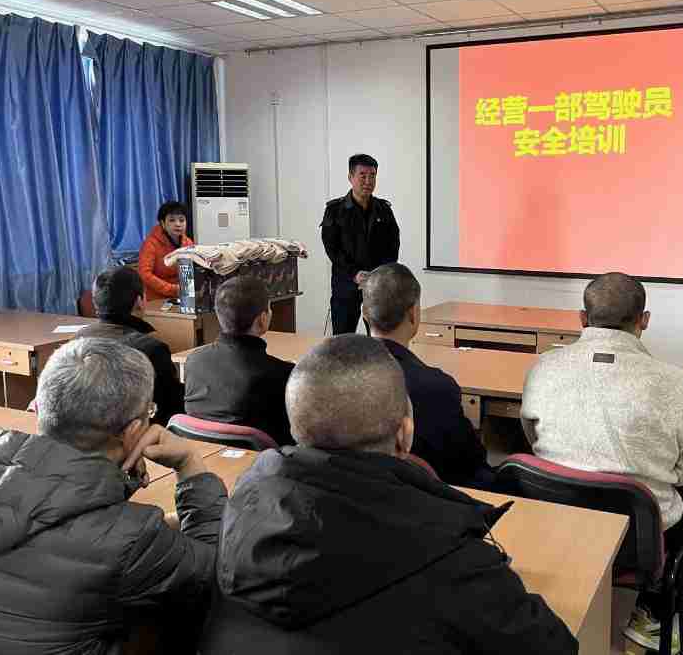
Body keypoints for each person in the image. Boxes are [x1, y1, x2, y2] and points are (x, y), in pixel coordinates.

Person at [199, 335, 577, 655]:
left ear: (295, 426)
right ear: (405, 434)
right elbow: (555, 646)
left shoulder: (238, 512)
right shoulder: (452, 558)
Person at [0, 338, 227, 655]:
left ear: (39, 408)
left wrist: (117, 479)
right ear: (133, 431)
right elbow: (219, 573)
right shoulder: (130, 538)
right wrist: (189, 464)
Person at [521, 272, 683, 653]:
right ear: (645, 320)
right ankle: (651, 615)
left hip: (555, 515)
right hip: (638, 537)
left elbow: (530, 435)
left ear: (582, 318)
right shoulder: (677, 384)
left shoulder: (543, 367)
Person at [362, 262, 493, 487]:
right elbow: (471, 460)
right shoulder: (436, 387)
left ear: (365, 314)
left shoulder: (336, 378)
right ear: (413, 314)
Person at [184, 275, 295, 445]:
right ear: (262, 319)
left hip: (203, 453)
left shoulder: (193, 361)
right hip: (260, 459)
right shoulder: (280, 373)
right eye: (269, 308)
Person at [77, 266, 185, 424]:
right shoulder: (151, 349)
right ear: (139, 301)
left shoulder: (77, 340)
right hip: (138, 433)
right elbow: (171, 406)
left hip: (87, 429)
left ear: (96, 302)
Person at [320, 153, 400, 335]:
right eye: (362, 175)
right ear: (350, 177)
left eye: (372, 176)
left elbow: (393, 246)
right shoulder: (335, 210)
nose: (368, 181)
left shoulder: (384, 209)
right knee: (343, 339)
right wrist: (354, 274)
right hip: (346, 283)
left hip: (377, 285)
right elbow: (332, 249)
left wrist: (378, 275)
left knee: (381, 338)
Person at [139, 200, 195, 300]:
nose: (178, 224)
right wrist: (173, 289)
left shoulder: (188, 243)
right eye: (172, 220)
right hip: (155, 298)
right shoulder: (150, 243)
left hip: (180, 296)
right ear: (163, 223)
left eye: (182, 220)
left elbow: (188, 274)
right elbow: (144, 274)